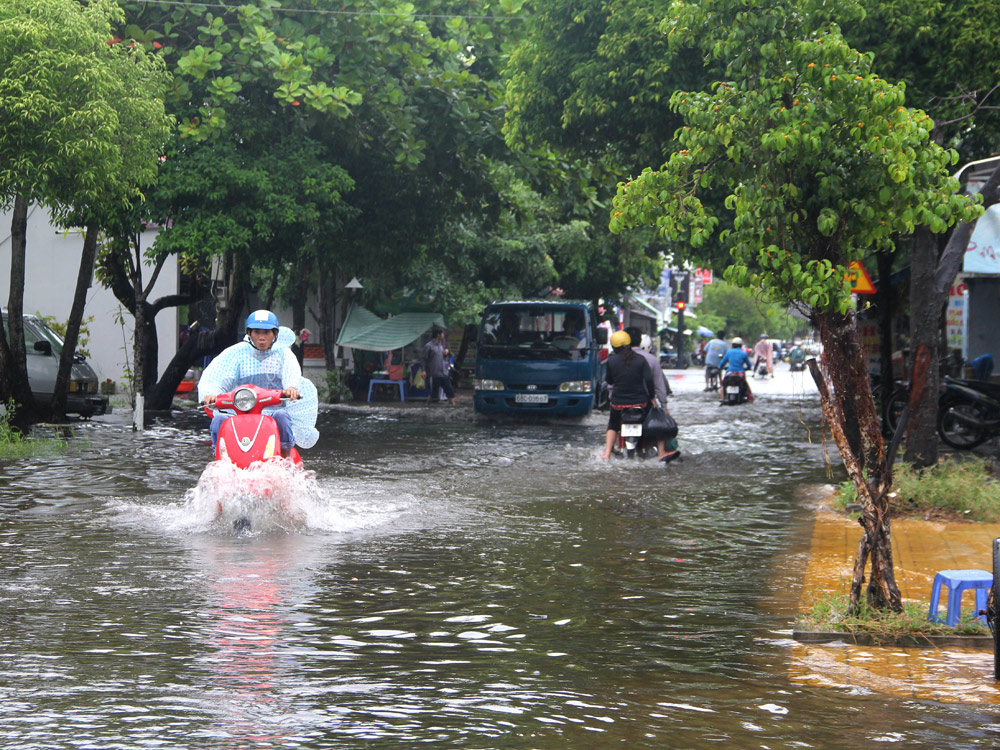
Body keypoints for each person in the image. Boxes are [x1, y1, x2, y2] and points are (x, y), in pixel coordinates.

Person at [199, 309, 312, 458]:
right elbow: (215, 375)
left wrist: (291, 388)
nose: (262, 338)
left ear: (275, 334)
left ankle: (285, 458)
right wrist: (210, 393)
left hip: (271, 411)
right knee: (219, 419)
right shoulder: (235, 353)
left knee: (282, 416)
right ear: (250, 333)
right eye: (257, 332)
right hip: (237, 412)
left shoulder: (284, 354)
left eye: (266, 333)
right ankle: (219, 458)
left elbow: (291, 372)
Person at [626, 326, 679, 462]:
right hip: (644, 401)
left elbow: (611, 384)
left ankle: (609, 450)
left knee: (614, 423)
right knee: (660, 419)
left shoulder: (618, 358)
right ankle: (661, 452)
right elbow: (659, 385)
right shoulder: (651, 360)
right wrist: (664, 406)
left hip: (621, 402)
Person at [601, 330, 657, 460]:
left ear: (614, 347)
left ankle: (607, 453)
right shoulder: (641, 359)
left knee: (613, 424)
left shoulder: (611, 361)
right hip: (640, 402)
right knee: (648, 422)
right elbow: (649, 381)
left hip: (618, 403)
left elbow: (608, 380)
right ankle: (648, 447)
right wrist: (652, 398)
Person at [422, 326, 455, 405]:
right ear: (438, 335)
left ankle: (453, 406)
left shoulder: (441, 346)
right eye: (442, 334)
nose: (443, 335)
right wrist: (423, 370)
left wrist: (447, 352)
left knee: (450, 391)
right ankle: (429, 406)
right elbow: (423, 359)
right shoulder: (429, 346)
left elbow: (448, 356)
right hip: (434, 374)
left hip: (444, 373)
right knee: (434, 395)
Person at [718, 336, 753, 403]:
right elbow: (749, 365)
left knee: (723, 384)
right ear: (741, 345)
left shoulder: (729, 352)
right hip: (740, 374)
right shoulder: (744, 353)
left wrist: (720, 367)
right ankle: (749, 398)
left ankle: (722, 398)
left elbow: (722, 363)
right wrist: (748, 368)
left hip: (729, 373)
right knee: (745, 385)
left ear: (732, 345)